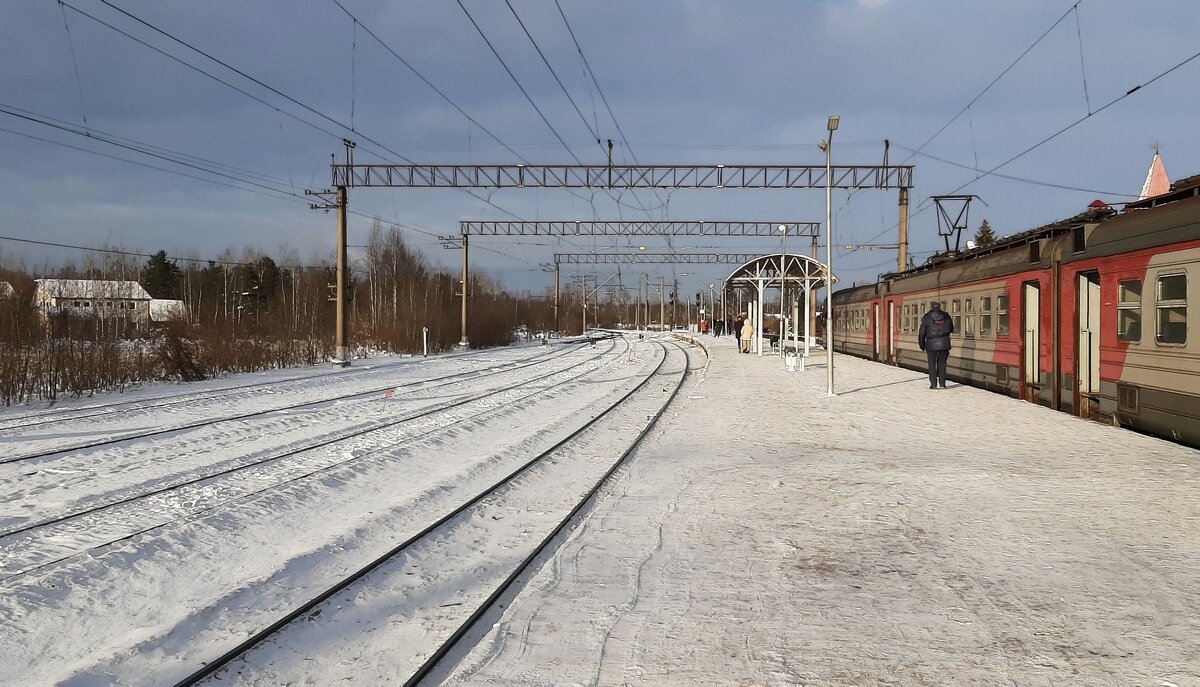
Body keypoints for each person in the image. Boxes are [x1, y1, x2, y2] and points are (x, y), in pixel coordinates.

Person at [918, 301, 954, 389]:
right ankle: (942, 384)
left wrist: (922, 345)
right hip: (944, 344)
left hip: (931, 345)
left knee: (932, 365)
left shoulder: (927, 318)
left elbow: (922, 333)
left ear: (931, 307)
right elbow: (951, 329)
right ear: (939, 307)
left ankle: (933, 385)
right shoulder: (946, 316)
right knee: (942, 364)